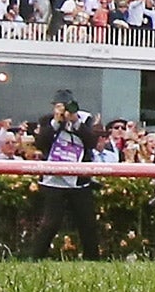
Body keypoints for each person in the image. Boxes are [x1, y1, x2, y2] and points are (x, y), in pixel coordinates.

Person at [28, 100, 102, 260]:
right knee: (50, 223)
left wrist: (75, 122)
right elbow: (40, 143)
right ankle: (35, 259)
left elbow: (92, 142)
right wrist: (56, 122)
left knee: (87, 223)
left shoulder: (85, 119)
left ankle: (93, 260)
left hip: (79, 180)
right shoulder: (47, 120)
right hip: (53, 180)